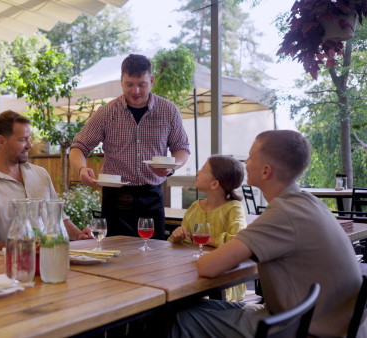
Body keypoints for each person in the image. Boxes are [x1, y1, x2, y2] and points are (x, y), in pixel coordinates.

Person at [169, 130, 364, 337]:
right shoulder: (310, 203)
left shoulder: (283, 213)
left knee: (181, 319)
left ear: (265, 171)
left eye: (251, 157)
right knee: (185, 309)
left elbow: (207, 266)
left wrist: (229, 251)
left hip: (301, 329)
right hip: (326, 321)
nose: (245, 163)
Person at [70, 54, 190, 240]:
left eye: (142, 84)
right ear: (121, 81)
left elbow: (181, 147)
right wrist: (81, 168)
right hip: (115, 196)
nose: (135, 91)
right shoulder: (106, 112)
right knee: (115, 256)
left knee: (154, 254)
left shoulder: (168, 110)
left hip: (152, 194)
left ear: (151, 80)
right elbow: (78, 147)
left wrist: (173, 165)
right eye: (129, 84)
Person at [0, 110, 92, 253]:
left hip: (52, 260)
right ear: (1, 141)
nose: (30, 145)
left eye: (29, 138)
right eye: (22, 139)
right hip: (10, 267)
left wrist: (79, 235)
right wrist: (30, 249)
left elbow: (59, 217)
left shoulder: (40, 174)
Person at [168, 155, 247, 302]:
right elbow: (183, 241)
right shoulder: (194, 207)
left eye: (204, 170)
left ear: (214, 184)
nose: (198, 172)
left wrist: (205, 239)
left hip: (223, 282)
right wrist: (178, 236)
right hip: (193, 273)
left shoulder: (234, 208)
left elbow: (238, 242)